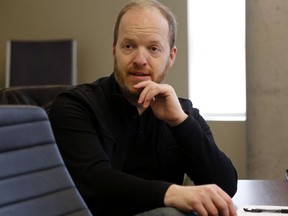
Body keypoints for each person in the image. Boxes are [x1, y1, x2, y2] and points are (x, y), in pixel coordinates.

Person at [49, 0, 238, 215]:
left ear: (171, 56)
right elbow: (94, 181)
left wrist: (180, 122)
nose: (140, 60)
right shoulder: (76, 105)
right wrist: (171, 193)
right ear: (114, 50)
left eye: (154, 48)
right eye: (128, 46)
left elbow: (225, 187)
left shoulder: (181, 111)